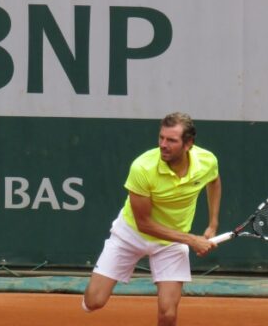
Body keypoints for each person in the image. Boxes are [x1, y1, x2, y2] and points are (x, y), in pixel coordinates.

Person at [83, 112, 221, 326]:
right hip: (131, 234)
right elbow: (144, 224)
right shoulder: (142, 168)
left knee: (168, 314)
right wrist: (192, 240)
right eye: (161, 138)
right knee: (94, 301)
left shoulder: (207, 161)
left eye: (171, 140)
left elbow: (214, 181)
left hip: (172, 243)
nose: (163, 145)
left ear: (188, 144)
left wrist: (213, 223)